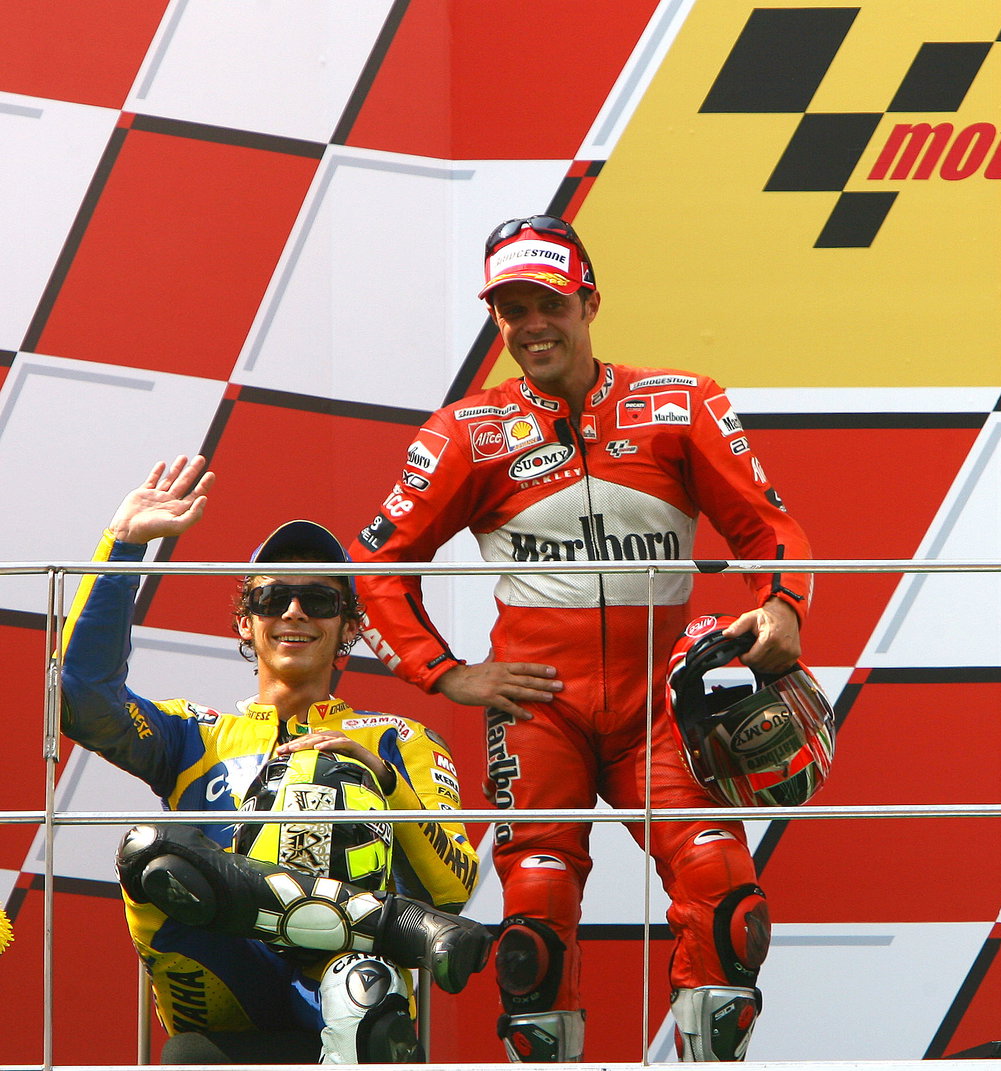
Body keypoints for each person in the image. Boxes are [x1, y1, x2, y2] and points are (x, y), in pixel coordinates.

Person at [348, 215, 813, 1062]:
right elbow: (374, 566)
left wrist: (781, 607)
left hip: (662, 707)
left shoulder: (680, 403)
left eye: (548, 303)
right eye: (511, 309)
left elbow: (769, 528)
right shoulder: (467, 431)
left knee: (727, 903)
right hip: (540, 709)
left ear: (588, 301)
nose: (531, 325)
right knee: (534, 918)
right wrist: (444, 673)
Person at [59, 455, 492, 1064]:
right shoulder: (194, 734)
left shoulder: (398, 739)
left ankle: (358, 983)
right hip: (223, 994)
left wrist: (384, 780)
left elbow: (455, 888)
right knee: (149, 847)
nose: (294, 613)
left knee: (354, 982)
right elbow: (80, 701)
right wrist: (123, 548)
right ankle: (390, 924)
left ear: (349, 629)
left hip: (349, 989)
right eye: (273, 598)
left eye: (318, 599)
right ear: (246, 622)